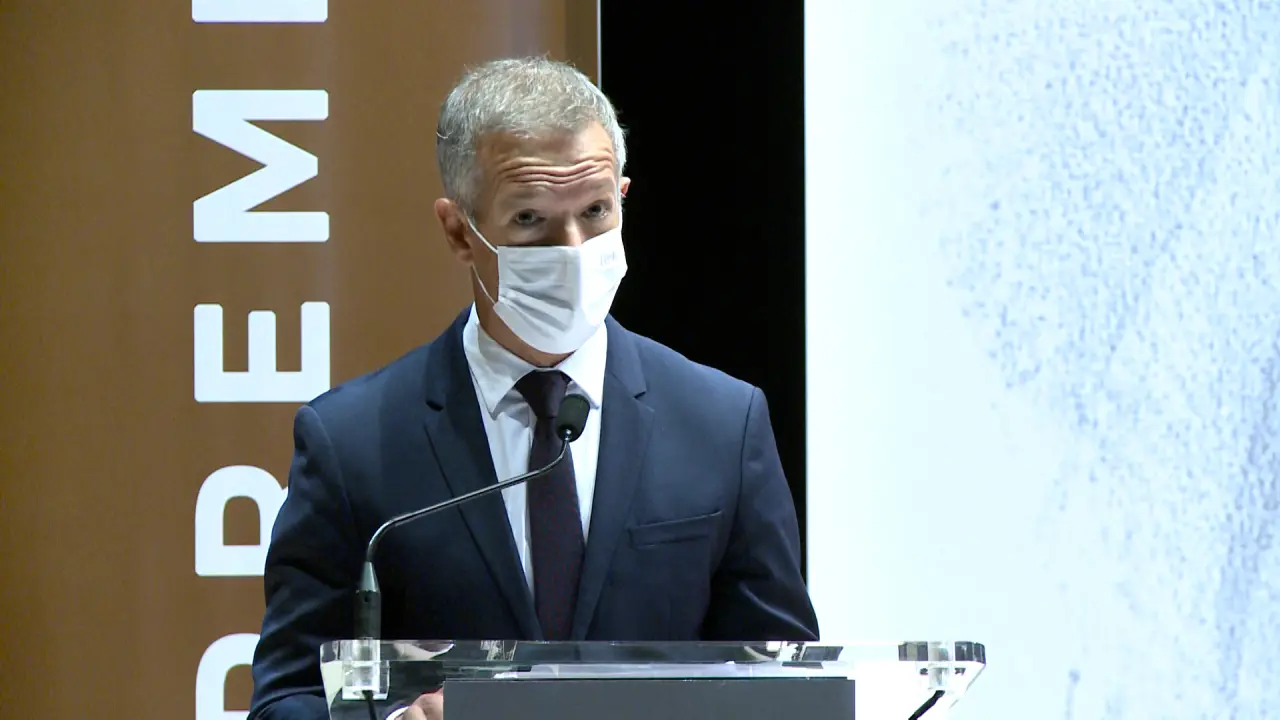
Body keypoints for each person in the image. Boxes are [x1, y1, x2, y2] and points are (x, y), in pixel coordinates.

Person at [247, 56, 819, 720]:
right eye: (530, 220)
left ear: (623, 196)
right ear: (459, 231)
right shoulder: (352, 444)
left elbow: (791, 688)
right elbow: (286, 700)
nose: (572, 248)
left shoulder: (722, 423)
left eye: (595, 211)